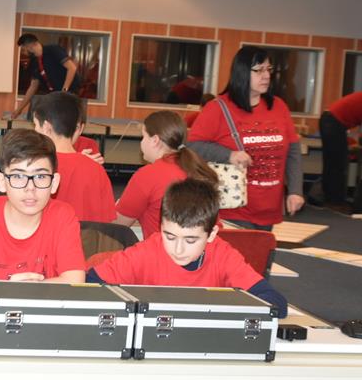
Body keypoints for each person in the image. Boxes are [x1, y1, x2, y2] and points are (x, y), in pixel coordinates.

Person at [88, 179, 288, 318]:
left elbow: (274, 302)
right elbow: (89, 284)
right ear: (161, 227)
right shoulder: (148, 250)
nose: (178, 249)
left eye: (190, 240)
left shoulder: (222, 255)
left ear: (211, 234)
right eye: (170, 236)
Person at [0, 128, 86, 293]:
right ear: (1, 181)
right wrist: (7, 290)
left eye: (40, 176)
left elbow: (75, 280)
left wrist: (21, 291)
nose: (30, 188)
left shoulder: (62, 216)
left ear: (54, 182)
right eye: (18, 176)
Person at [188, 45, 304, 231]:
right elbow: (193, 146)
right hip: (233, 208)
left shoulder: (279, 106)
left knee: (262, 251)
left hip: (269, 208)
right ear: (242, 72)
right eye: (259, 70)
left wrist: (295, 190)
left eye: (268, 69)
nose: (266, 76)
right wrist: (229, 155)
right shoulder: (218, 108)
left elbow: (293, 151)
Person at [114, 111, 219, 239]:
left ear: (155, 140)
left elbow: (118, 225)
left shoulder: (148, 175)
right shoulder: (198, 168)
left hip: (164, 249)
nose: (141, 143)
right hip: (202, 248)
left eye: (143, 137)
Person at [32, 91, 116, 222]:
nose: (34, 130)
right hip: (86, 235)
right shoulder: (96, 169)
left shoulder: (35, 166)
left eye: (35, 125)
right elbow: (107, 222)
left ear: (47, 127)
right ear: (77, 128)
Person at [317, 91, 362, 205]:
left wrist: (356, 140)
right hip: (334, 123)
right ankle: (335, 201)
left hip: (328, 119)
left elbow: (359, 127)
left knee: (331, 163)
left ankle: (329, 199)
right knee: (338, 164)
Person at [13, 33, 82, 119]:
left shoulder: (53, 50)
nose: (23, 53)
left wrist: (64, 91)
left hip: (69, 92)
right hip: (54, 94)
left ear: (30, 46)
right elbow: (33, 86)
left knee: (64, 119)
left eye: (24, 49)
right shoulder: (34, 61)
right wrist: (19, 109)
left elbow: (72, 68)